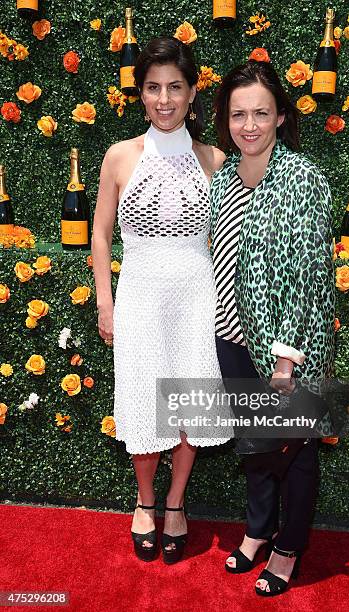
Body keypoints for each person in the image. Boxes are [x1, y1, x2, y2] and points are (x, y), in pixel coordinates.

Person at [91, 36, 230, 565]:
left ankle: (176, 504)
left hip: (199, 298)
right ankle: (145, 502)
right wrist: (106, 303)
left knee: (188, 405)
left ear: (192, 93)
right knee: (144, 402)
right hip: (141, 298)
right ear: (141, 94)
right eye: (154, 88)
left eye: (175, 87)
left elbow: (230, 239)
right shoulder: (120, 156)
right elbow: (101, 235)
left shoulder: (215, 159)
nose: (165, 99)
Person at [210, 60, 335, 596]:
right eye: (239, 114)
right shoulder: (222, 182)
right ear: (226, 120)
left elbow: (309, 275)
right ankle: (259, 530)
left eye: (261, 112)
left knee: (296, 448)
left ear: (281, 116)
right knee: (257, 446)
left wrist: (287, 359)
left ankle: (289, 548)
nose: (250, 124)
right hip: (232, 339)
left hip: (289, 349)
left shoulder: (303, 180)